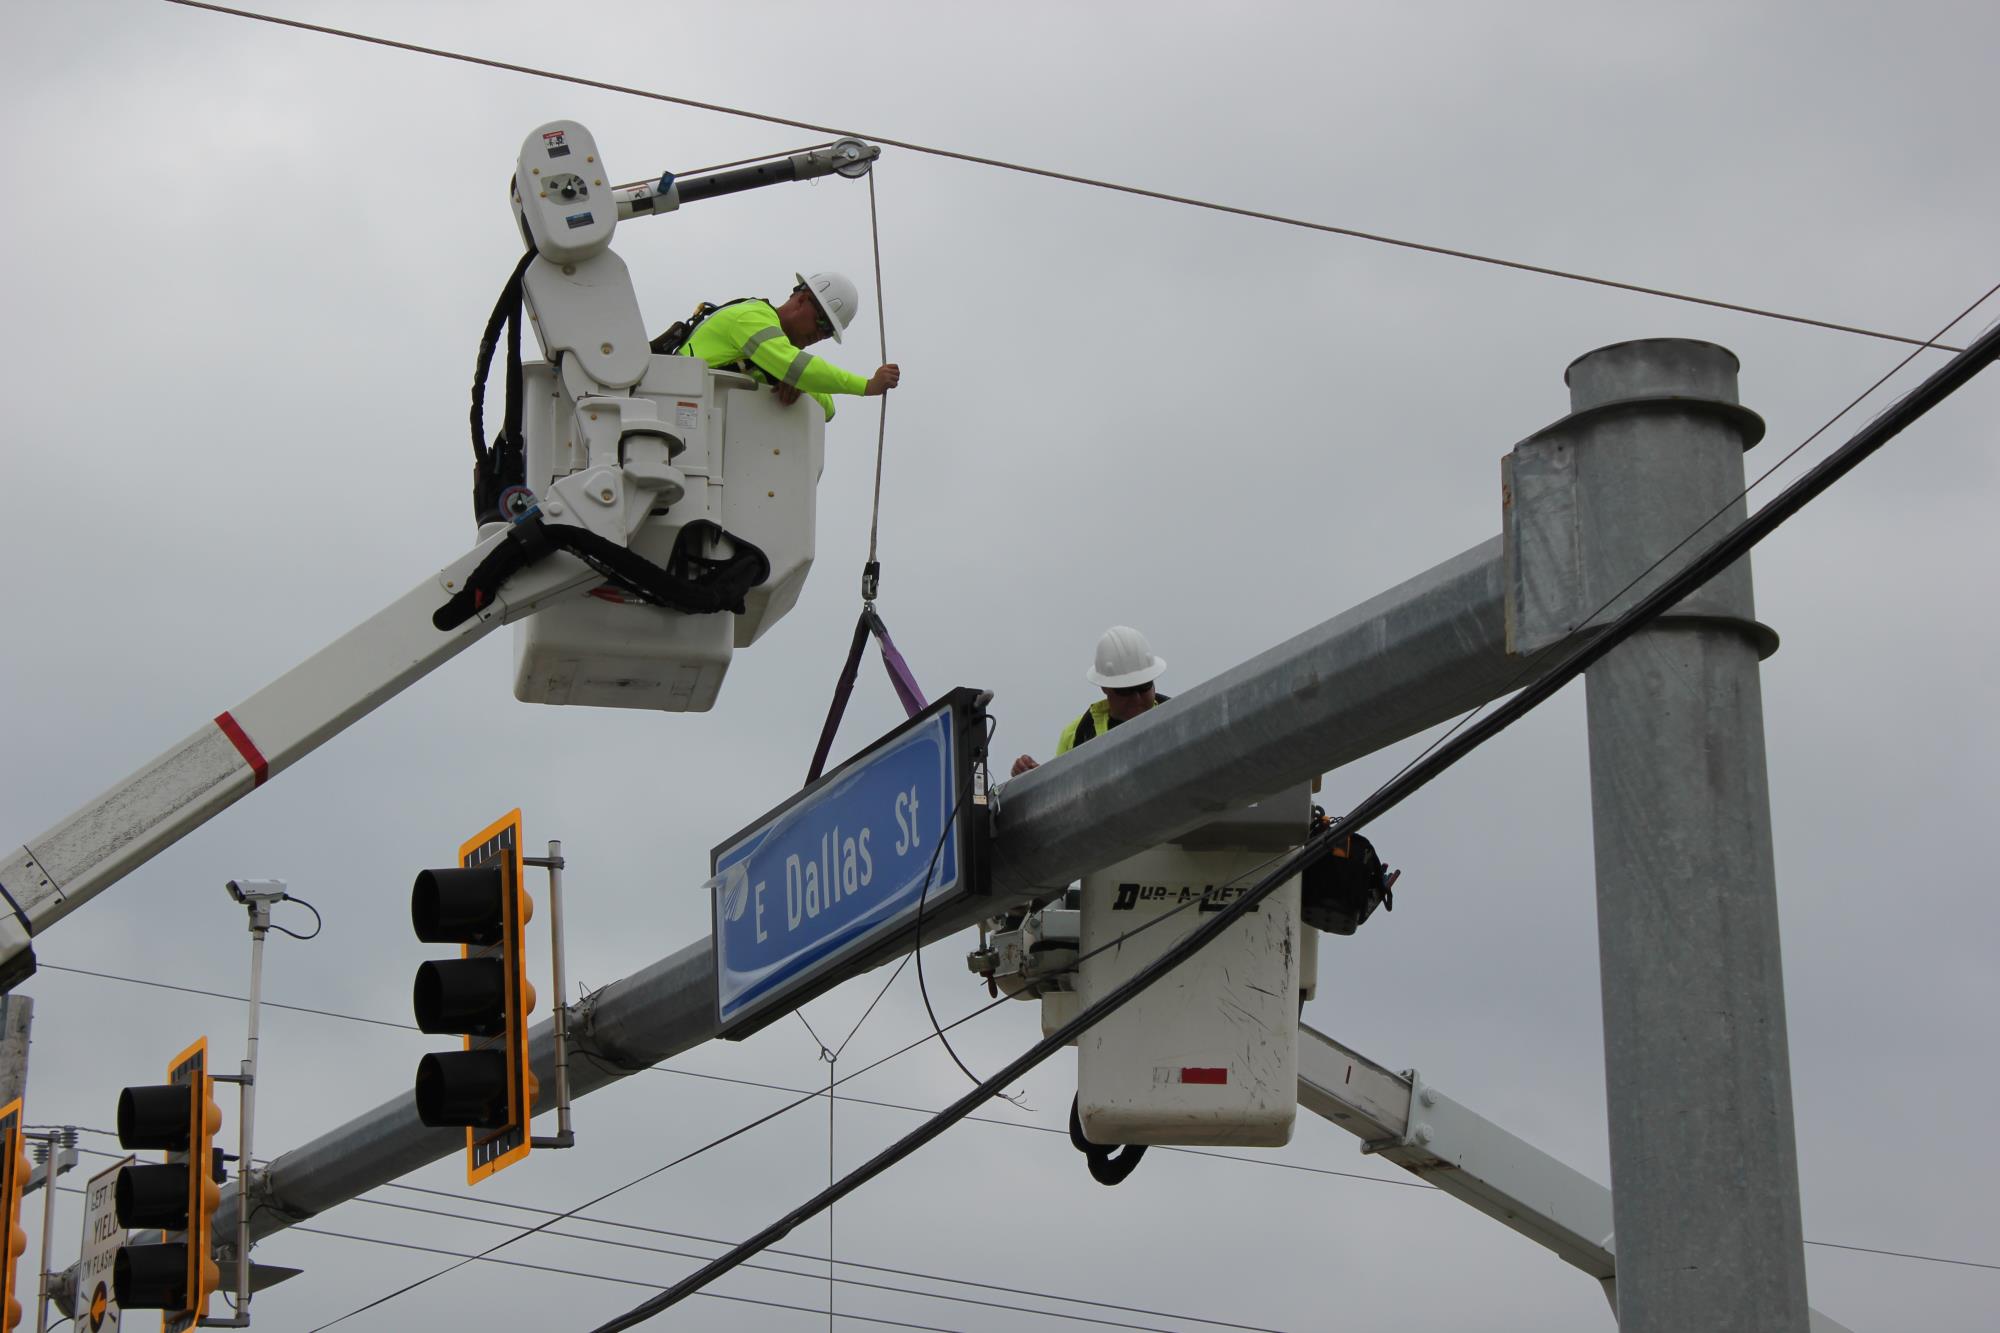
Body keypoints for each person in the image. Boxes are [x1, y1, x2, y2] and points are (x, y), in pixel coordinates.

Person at [666, 271, 899, 421]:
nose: (820, 335)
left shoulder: (773, 355)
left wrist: (800, 384)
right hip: (673, 409)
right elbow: (797, 366)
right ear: (802, 299)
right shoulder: (751, 317)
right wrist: (867, 386)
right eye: (822, 323)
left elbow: (827, 410)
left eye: (828, 333)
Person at [1011, 626, 1171, 777]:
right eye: (1125, 690)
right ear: (1105, 688)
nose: (1136, 697)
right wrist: (1033, 778)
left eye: (1144, 686)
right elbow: (1062, 789)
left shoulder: (1176, 720)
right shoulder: (1077, 734)